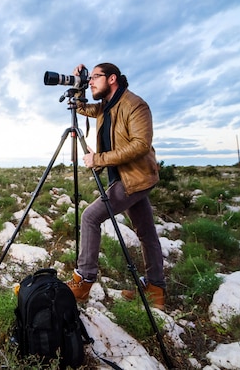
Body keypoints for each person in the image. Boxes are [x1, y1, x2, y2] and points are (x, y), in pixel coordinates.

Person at [65, 62, 166, 310]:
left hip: (134, 178)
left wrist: (98, 159)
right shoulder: (105, 108)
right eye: (91, 79)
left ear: (112, 79)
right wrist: (80, 83)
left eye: (95, 78)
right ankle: (156, 290)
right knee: (146, 233)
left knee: (90, 217)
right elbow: (80, 108)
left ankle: (84, 281)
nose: (92, 82)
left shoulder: (135, 105)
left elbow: (141, 144)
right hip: (124, 177)